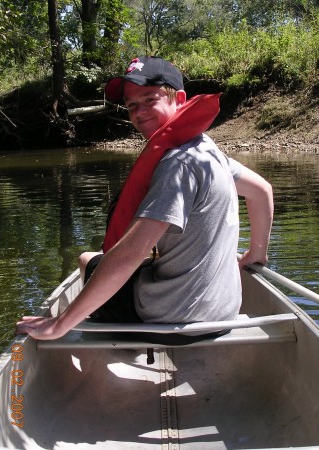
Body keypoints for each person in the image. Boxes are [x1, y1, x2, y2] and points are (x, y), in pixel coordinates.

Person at [16, 56, 273, 340]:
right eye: (132, 105)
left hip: (175, 319)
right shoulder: (205, 150)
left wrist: (59, 324)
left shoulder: (179, 163)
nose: (140, 112)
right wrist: (257, 254)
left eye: (150, 99)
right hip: (225, 313)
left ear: (180, 98)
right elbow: (262, 191)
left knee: (88, 259)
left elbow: (132, 253)